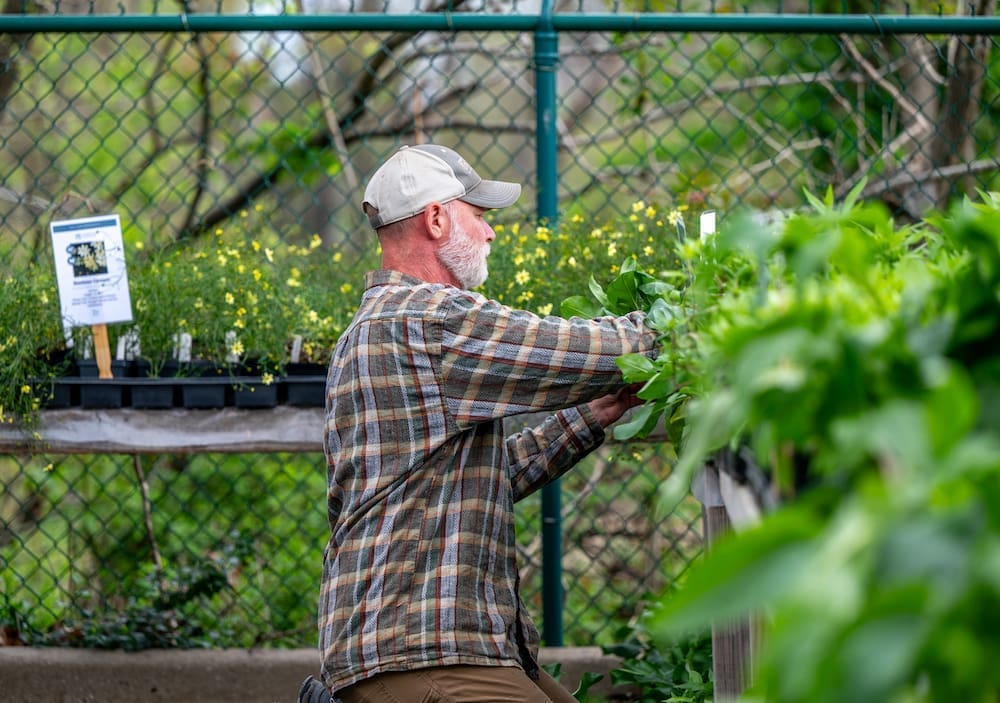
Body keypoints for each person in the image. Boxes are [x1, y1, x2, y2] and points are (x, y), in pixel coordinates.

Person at [315, 143, 658, 703]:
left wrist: (594, 414)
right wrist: (683, 323)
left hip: (405, 641)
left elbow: (473, 476)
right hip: (421, 644)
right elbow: (583, 350)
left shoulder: (372, 326)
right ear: (435, 219)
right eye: (478, 215)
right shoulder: (429, 319)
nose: (491, 232)